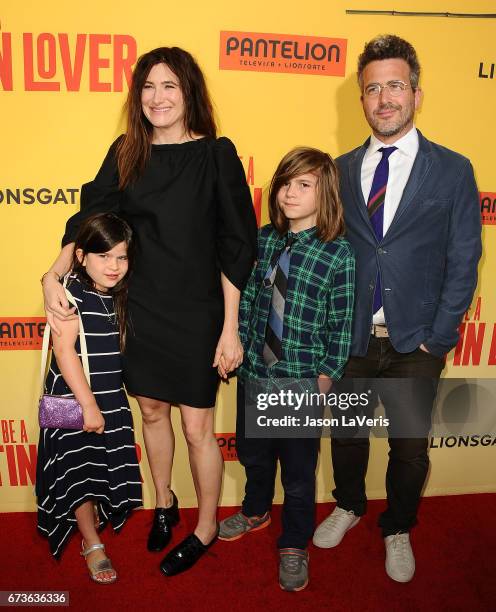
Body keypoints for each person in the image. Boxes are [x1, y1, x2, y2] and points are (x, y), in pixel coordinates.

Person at [40, 46, 258, 576]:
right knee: (153, 414)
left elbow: (237, 244)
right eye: (148, 87)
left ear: (189, 94)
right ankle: (164, 501)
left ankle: (205, 527)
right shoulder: (127, 152)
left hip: (199, 312)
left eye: (170, 87)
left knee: (198, 429)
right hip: (138, 310)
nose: (157, 98)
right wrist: (52, 273)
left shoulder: (216, 155)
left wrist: (230, 329)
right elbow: (90, 215)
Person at [313, 34, 482, 583]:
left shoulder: (452, 170)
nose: (383, 98)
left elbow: (464, 258)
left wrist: (439, 336)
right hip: (352, 340)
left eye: (394, 86)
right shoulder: (337, 170)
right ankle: (349, 504)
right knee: (347, 437)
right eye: (372, 89)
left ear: (416, 93)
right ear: (360, 99)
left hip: (417, 342)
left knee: (409, 451)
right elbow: (326, 254)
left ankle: (398, 525)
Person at [219, 147, 355, 591]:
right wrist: (236, 342)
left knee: (298, 474)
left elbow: (340, 325)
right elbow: (252, 302)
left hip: (300, 379)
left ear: (326, 192)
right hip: (258, 372)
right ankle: (256, 508)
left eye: (304, 184)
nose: (289, 192)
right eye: (285, 182)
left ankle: (295, 542)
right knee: (254, 455)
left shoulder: (339, 254)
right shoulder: (264, 239)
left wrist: (323, 378)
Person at [36, 212, 142, 583]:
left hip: (108, 397)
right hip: (69, 401)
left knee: (99, 468)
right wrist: (89, 406)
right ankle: (91, 541)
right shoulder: (67, 295)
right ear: (81, 256)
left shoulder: (118, 295)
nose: (114, 266)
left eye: (122, 257)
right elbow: (65, 354)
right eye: (104, 256)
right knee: (78, 472)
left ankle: (91, 521)